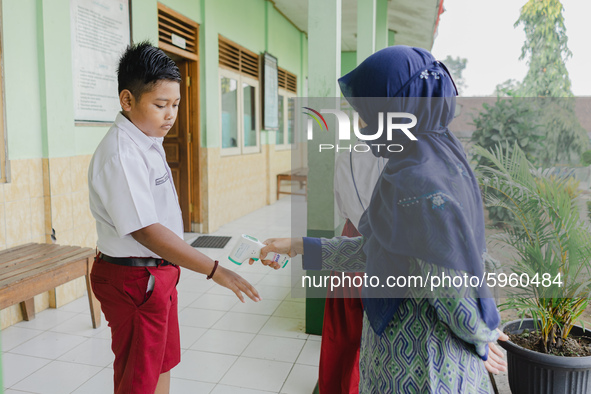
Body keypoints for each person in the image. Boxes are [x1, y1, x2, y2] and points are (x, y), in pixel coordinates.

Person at [253, 46, 508, 393]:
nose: (361, 126)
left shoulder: (420, 186)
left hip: (423, 369)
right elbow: (375, 249)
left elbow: (456, 298)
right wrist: (299, 245)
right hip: (397, 359)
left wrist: (484, 334)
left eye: (368, 114)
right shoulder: (428, 161)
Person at [88, 42, 261, 394]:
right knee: (138, 380)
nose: (170, 115)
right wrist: (214, 270)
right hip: (134, 279)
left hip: (157, 274)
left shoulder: (148, 140)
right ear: (127, 100)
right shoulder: (122, 154)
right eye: (160, 105)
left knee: (162, 364)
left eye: (176, 105)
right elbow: (147, 232)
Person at [320, 149, 385, 394]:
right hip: (386, 247)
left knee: (344, 331)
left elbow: (342, 208)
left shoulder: (345, 157)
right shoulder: (408, 156)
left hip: (351, 238)